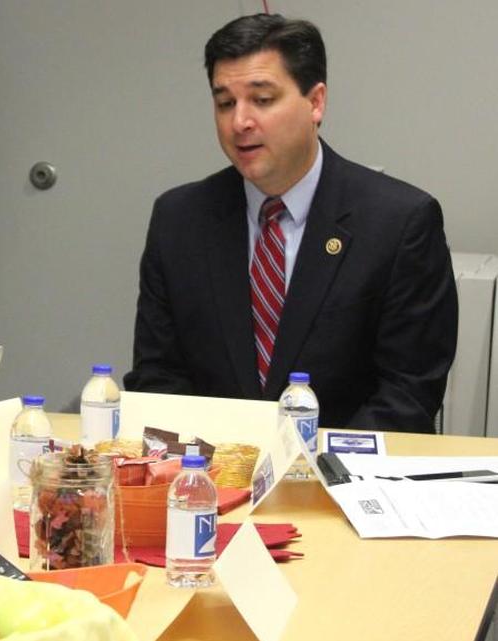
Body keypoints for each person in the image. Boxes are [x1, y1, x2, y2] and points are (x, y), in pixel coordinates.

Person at [123, 14, 457, 433]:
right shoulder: (179, 220)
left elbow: (407, 394)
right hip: (210, 466)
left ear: (315, 102)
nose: (240, 122)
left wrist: (312, 464)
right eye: (225, 103)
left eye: (262, 100)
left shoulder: (399, 222)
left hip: (344, 467)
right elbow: (158, 377)